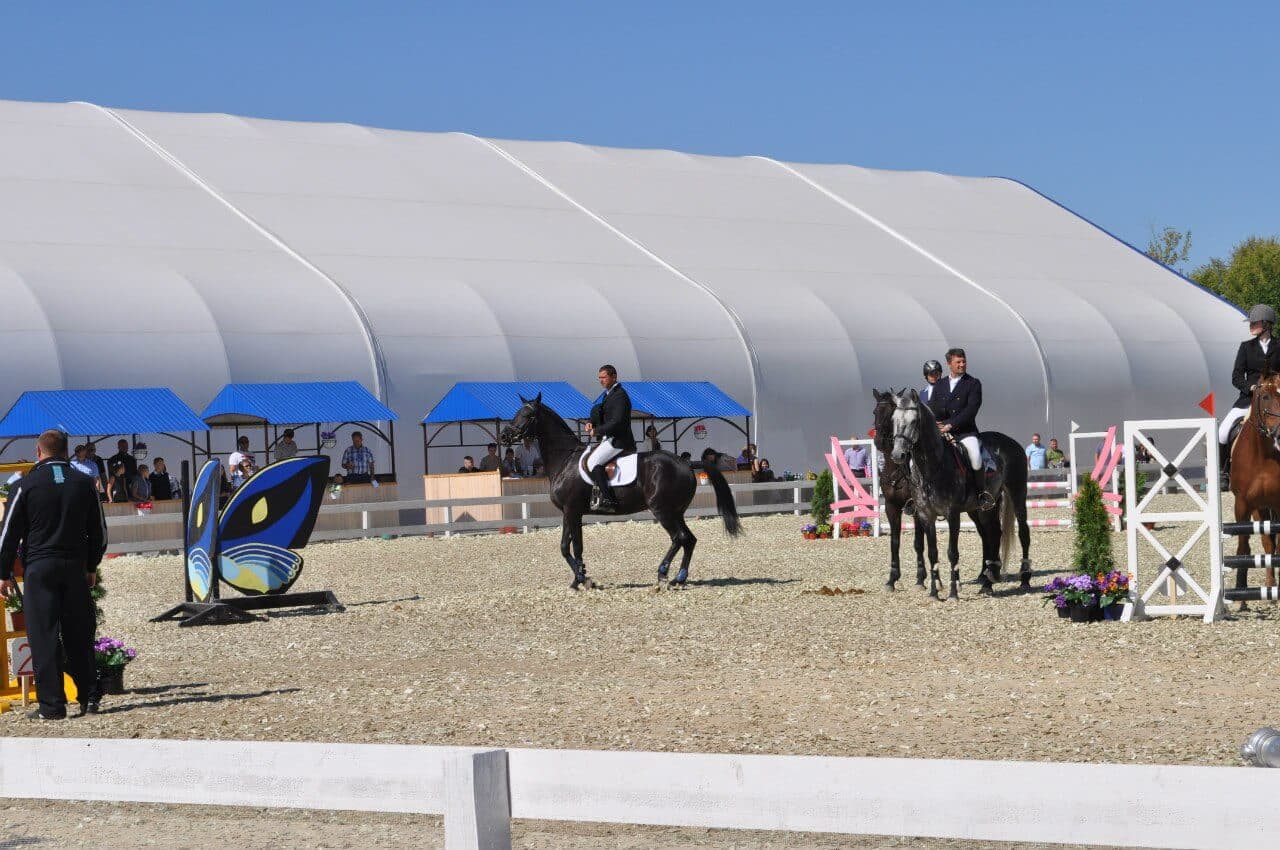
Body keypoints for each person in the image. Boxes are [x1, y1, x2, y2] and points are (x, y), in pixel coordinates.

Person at [0, 429, 105, 719]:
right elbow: (99, 532)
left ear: (38, 451)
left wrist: (4, 571)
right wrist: (91, 565)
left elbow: (8, 533)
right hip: (74, 566)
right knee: (80, 633)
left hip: (40, 567)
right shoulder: (84, 484)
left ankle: (52, 706)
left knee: (43, 635)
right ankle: (89, 698)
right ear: (67, 451)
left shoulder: (25, 484)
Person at [1220, 304, 1280, 484]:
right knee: (1223, 431)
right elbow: (1236, 376)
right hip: (1249, 399)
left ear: (1267, 324)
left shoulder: (1279, 345)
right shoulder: (1246, 347)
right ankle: (1224, 471)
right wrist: (1250, 387)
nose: (1251, 325)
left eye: (1255, 322)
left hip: (1276, 399)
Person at [927, 347, 994, 509]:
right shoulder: (940, 384)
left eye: (964, 361)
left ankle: (981, 494)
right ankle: (919, 495)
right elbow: (932, 406)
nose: (962, 364)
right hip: (941, 431)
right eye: (958, 362)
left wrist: (950, 425)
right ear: (949, 364)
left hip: (964, 431)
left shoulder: (973, 383)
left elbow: (971, 409)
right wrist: (934, 422)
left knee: (976, 457)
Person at [585, 364, 635, 510]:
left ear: (614, 377)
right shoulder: (609, 394)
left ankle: (609, 499)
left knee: (593, 461)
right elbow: (599, 411)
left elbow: (617, 422)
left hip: (619, 440)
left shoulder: (620, 396)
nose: (601, 380)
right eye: (599, 378)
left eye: (604, 377)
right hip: (610, 439)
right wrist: (590, 422)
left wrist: (597, 431)